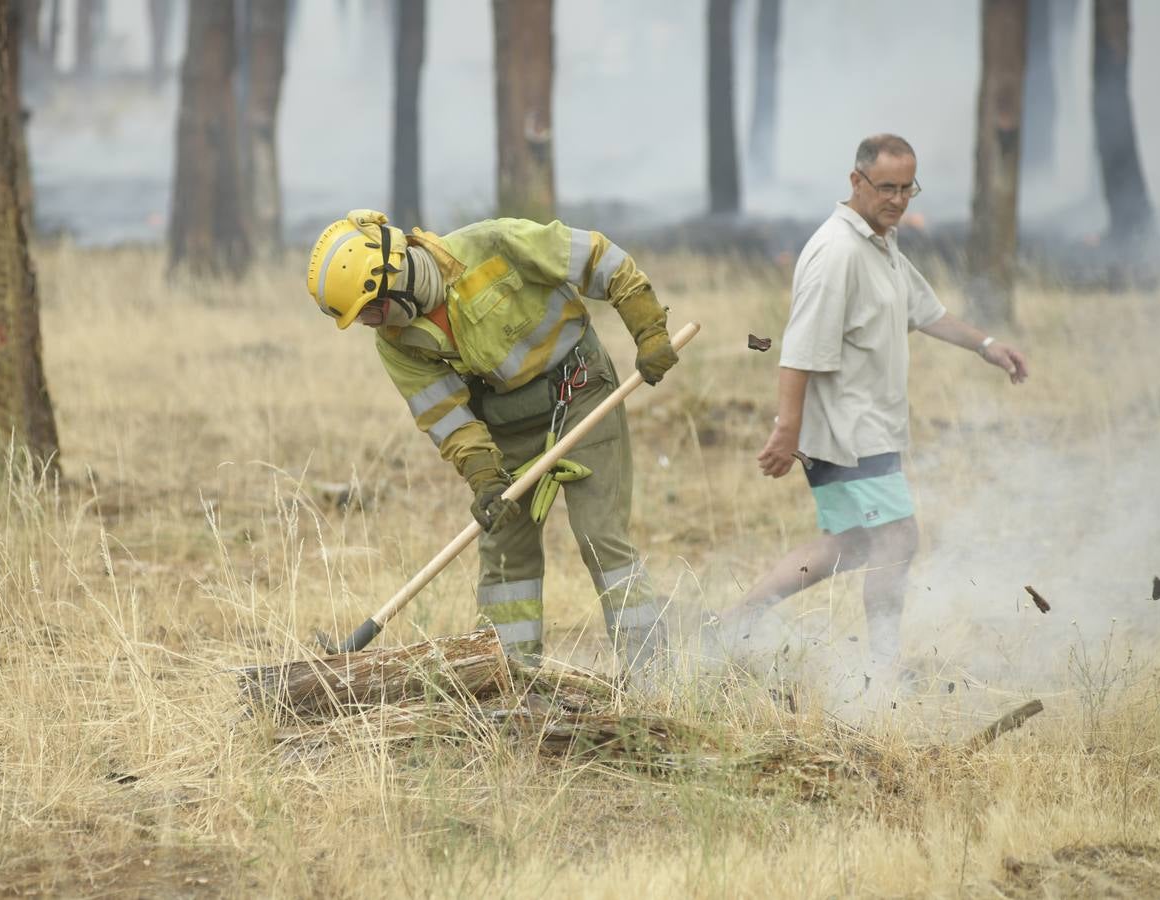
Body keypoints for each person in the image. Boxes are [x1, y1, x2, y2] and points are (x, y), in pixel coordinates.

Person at [306, 210, 678, 670]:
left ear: (395, 278)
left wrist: (649, 330)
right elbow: (444, 414)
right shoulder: (395, 342)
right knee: (504, 556)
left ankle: (654, 671)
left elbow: (600, 259)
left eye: (370, 310)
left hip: (582, 393)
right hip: (506, 426)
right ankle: (509, 682)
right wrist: (484, 480)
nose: (368, 324)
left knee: (600, 537)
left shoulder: (497, 243)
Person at [714, 134, 1029, 678]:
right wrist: (786, 430)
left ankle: (737, 620)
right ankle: (883, 665)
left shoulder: (882, 243)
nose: (899, 200)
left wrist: (985, 346)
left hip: (871, 428)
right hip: (847, 431)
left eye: (908, 188)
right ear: (856, 182)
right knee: (898, 537)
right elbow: (798, 350)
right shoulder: (836, 253)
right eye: (887, 188)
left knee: (856, 542)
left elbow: (926, 312)